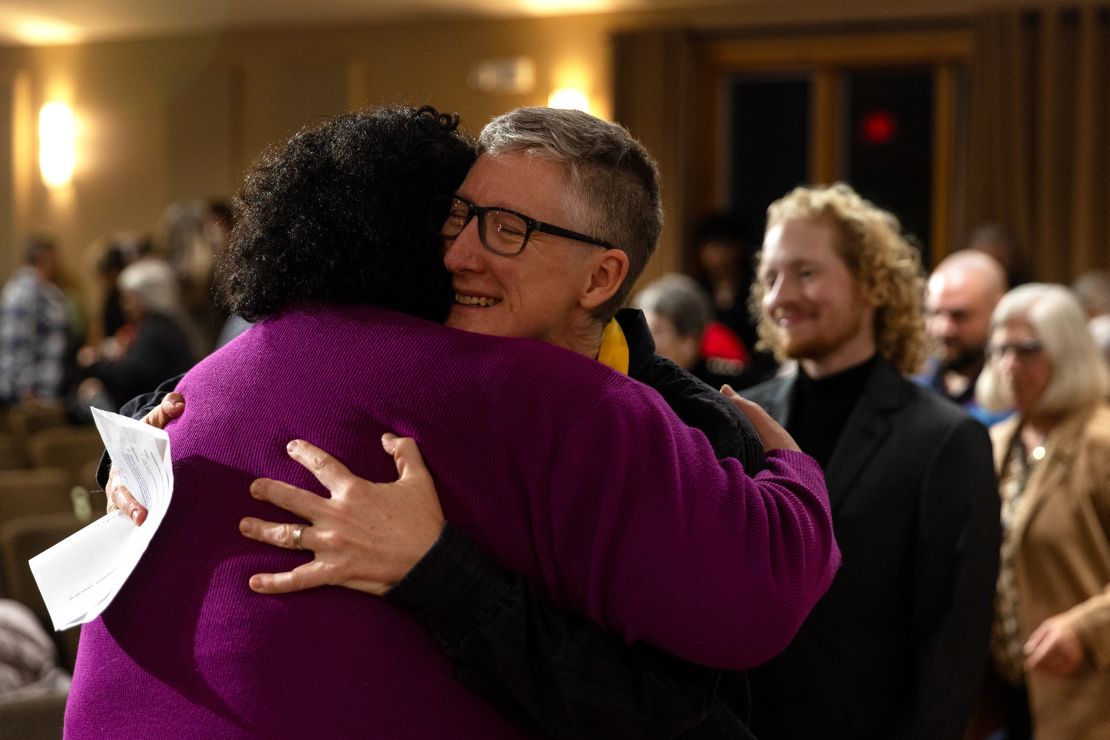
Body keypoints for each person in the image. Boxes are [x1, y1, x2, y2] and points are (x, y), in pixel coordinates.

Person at [69, 106, 838, 738]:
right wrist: (130, 457)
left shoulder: (677, 420)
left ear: (601, 276)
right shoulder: (412, 379)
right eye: (459, 217)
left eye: (507, 229)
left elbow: (675, 710)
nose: (462, 252)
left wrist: (439, 570)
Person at [738, 183, 1001, 739]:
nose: (781, 296)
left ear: (871, 283)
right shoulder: (742, 421)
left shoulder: (944, 439)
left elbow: (954, 643)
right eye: (770, 277)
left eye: (806, 273)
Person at [972, 283, 1110, 740]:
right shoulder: (994, 443)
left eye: (1028, 350)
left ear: (1067, 351)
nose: (1011, 365)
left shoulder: (1101, 441)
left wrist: (1086, 628)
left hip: (1088, 697)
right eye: (1001, 349)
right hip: (1007, 698)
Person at [75, 259, 197, 414]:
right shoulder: (164, 325)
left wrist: (94, 365)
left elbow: (132, 379)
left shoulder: (155, 330)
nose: (125, 305)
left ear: (144, 297)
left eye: (129, 298)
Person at [916, 249, 1011, 426]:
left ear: (999, 310)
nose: (943, 329)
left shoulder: (1014, 396)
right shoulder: (911, 387)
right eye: (935, 313)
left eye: (959, 315)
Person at [634, 272, 758, 392]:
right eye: (644, 329)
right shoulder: (634, 380)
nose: (645, 338)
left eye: (657, 331)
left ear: (689, 342)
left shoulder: (727, 387)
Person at [0, 235, 71, 406]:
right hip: (32, 392)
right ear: (44, 258)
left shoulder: (47, 289)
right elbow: (17, 343)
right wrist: (25, 386)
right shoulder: (23, 292)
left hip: (47, 388)